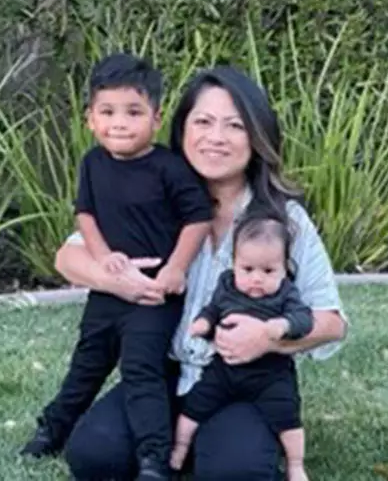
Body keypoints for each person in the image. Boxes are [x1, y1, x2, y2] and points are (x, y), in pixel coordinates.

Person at [51, 65, 347, 481]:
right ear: (181, 128)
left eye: (234, 126)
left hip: (243, 378)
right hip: (161, 374)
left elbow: (333, 323)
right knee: (93, 455)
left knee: (236, 472)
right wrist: (117, 280)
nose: (215, 138)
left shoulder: (284, 220)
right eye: (203, 122)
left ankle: (223, 444)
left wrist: (268, 335)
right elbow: (67, 256)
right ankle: (185, 443)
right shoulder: (155, 191)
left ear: (256, 137)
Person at [21, 53, 212, 481]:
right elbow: (84, 214)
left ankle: (153, 457)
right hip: (107, 292)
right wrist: (102, 256)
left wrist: (176, 269)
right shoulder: (93, 164)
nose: (119, 123)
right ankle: (52, 430)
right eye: (107, 112)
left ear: (156, 117)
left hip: (154, 295)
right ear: (90, 118)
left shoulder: (169, 167)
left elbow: (197, 218)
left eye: (133, 112)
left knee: (141, 371)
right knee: (87, 363)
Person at [171, 208, 313, 481]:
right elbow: (213, 309)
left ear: (285, 268)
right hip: (224, 368)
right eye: (247, 269)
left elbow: (303, 319)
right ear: (234, 264)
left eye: (269, 270)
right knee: (194, 405)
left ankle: (295, 464)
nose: (257, 278)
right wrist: (203, 323)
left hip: (270, 373)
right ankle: (179, 449)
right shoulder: (227, 286)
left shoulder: (286, 293)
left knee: (287, 415)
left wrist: (280, 327)